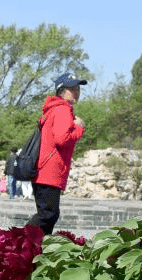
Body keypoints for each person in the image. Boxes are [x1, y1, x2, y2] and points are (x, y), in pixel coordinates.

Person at [26, 72, 87, 234]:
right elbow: (62, 139)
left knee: (48, 214)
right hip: (50, 170)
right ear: (62, 90)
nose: (77, 91)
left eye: (78, 88)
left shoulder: (53, 109)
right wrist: (79, 127)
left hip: (45, 169)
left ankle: (35, 249)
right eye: (72, 88)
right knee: (48, 214)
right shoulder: (62, 109)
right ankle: (20, 241)